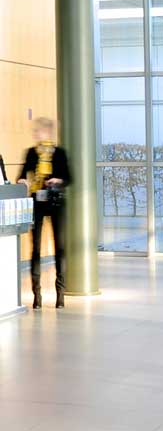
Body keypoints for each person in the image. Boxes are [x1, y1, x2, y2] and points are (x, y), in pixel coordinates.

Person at [18, 117, 71, 309]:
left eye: (38, 131)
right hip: (37, 202)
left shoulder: (60, 153)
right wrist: (23, 181)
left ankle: (60, 295)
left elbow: (69, 178)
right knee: (36, 248)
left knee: (59, 247)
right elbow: (21, 176)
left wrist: (58, 180)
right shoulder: (31, 153)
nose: (36, 134)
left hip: (56, 202)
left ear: (47, 132)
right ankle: (37, 296)